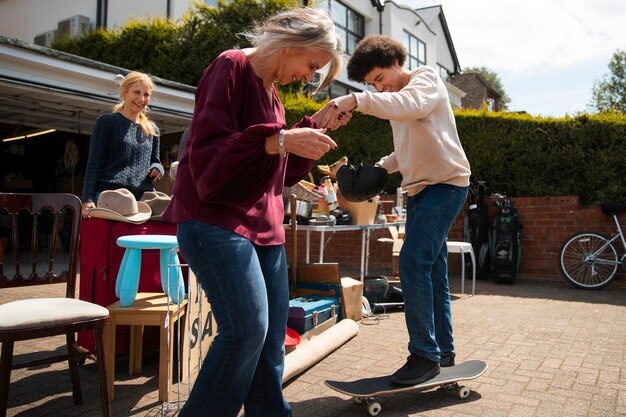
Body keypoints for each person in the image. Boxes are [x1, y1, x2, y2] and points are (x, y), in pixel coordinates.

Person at [161, 7, 346, 417]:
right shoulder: (231, 66)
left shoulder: (273, 96)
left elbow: (274, 173)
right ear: (292, 45)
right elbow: (208, 158)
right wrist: (280, 141)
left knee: (268, 338)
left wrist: (310, 131)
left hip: (264, 229)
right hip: (216, 221)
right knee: (246, 331)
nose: (309, 76)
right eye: (311, 64)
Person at [321, 35, 471, 385]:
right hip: (421, 191)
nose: (378, 87)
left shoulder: (425, 79)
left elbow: (413, 105)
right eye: (371, 84)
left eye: (379, 78)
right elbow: (405, 150)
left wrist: (356, 99)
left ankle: (423, 355)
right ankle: (442, 353)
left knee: (412, 261)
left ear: (394, 62)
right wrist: (377, 168)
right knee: (432, 271)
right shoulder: (397, 102)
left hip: (447, 186)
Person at [81, 71, 164, 210]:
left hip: (142, 201)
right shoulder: (107, 122)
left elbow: (155, 161)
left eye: (146, 94)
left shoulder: (152, 130)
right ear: (124, 92)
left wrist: (158, 168)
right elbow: (94, 163)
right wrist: (87, 198)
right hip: (109, 198)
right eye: (136, 92)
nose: (142, 99)